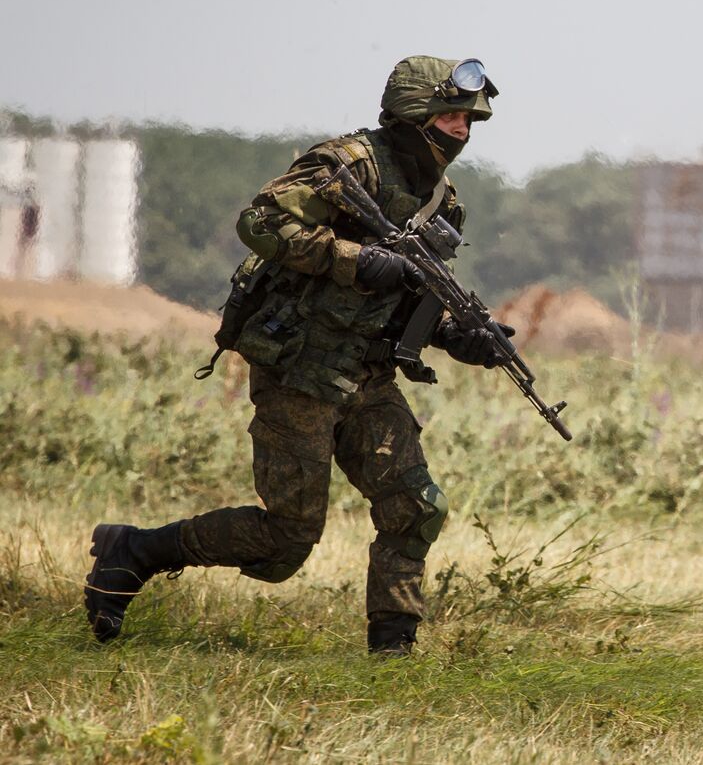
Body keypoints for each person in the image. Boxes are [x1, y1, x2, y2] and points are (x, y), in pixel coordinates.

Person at [84, 56, 514, 656]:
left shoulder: (442, 199)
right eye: (449, 116)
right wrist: (354, 260)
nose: (462, 131)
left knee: (415, 508)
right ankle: (134, 552)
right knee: (286, 541)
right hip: (301, 369)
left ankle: (393, 655)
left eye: (468, 120)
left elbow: (412, 296)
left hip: (368, 376)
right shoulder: (347, 164)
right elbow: (259, 222)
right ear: (413, 114)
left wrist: (460, 334)